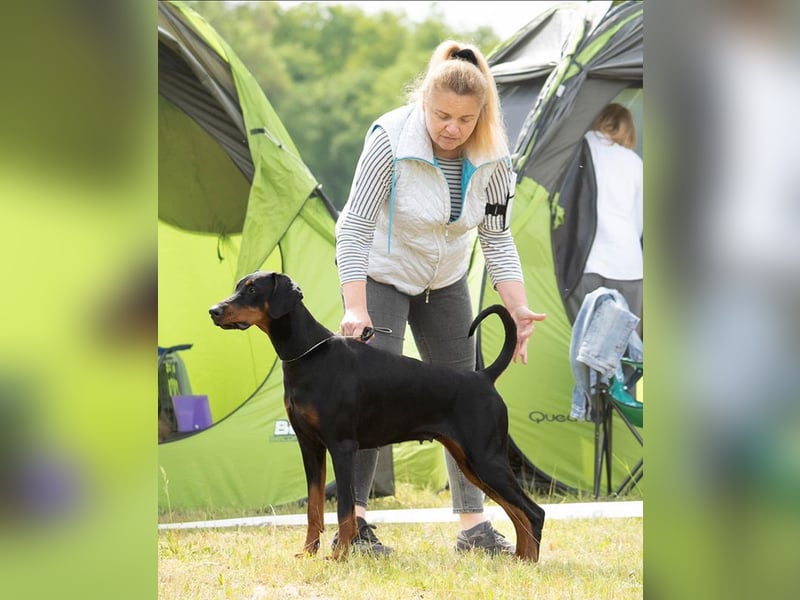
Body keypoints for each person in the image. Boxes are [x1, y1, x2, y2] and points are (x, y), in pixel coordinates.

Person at [334, 40, 546, 556]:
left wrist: (517, 306)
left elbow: (496, 236)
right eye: (442, 116)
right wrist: (355, 305)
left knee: (464, 398)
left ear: (482, 115)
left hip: (446, 280)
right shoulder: (388, 138)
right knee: (369, 397)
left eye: (465, 120)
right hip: (383, 277)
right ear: (424, 103)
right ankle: (357, 524)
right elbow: (354, 226)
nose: (453, 128)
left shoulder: (496, 156)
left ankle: (473, 528)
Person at [565, 103, 643, 335]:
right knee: (624, 347)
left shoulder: (582, 147)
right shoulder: (635, 162)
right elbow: (640, 221)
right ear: (628, 130)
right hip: (629, 267)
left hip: (586, 265)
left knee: (584, 343)